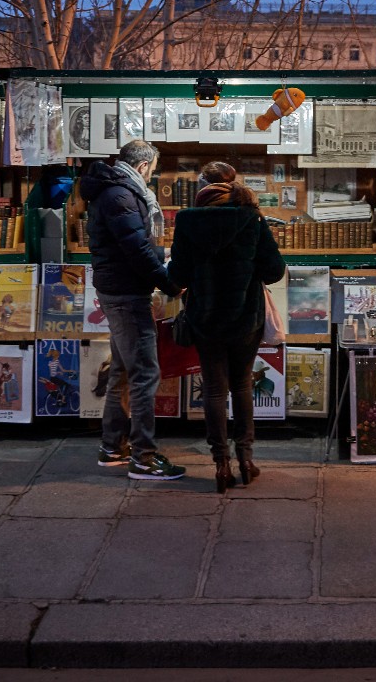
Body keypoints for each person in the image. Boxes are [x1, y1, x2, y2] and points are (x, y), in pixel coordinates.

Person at [168, 162, 286, 492]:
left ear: (202, 187)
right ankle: (246, 461)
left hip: (206, 319)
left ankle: (221, 464)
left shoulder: (187, 221)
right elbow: (274, 270)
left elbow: (177, 277)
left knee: (214, 390)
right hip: (245, 318)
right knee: (242, 386)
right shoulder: (251, 217)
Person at [82, 139, 184, 480]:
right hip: (127, 294)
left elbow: (136, 245)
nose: (152, 178)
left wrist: (160, 260)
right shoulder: (121, 195)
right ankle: (144, 457)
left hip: (117, 290)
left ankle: (112, 447)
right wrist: (170, 282)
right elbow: (136, 248)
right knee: (143, 374)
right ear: (142, 167)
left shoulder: (113, 190)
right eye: (152, 171)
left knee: (123, 371)